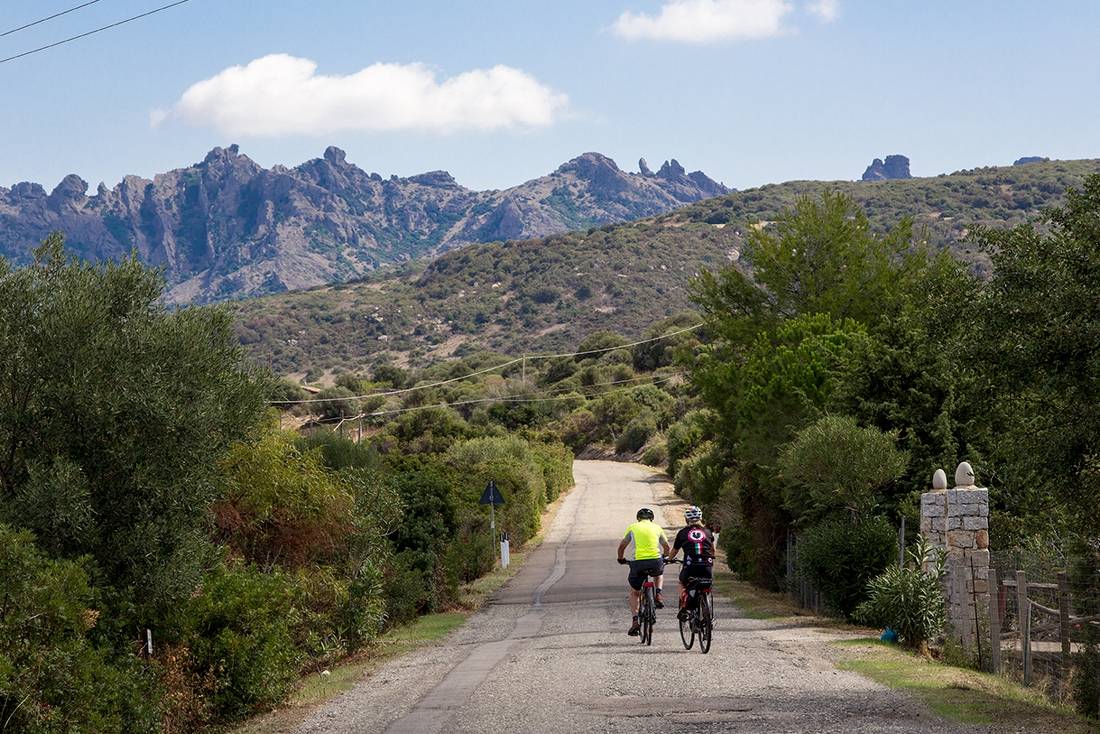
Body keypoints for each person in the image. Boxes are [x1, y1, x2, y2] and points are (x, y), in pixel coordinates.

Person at [617, 507, 670, 636]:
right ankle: (658, 594)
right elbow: (666, 547)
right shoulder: (657, 527)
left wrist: (621, 558)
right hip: (655, 561)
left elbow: (622, 545)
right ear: (651, 518)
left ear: (638, 518)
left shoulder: (633, 527)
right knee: (659, 573)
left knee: (635, 592)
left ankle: (635, 621)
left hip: (638, 563)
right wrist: (665, 557)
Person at [665, 505, 715, 620]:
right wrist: (711, 557)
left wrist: (669, 559)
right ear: (701, 518)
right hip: (707, 566)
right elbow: (713, 550)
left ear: (686, 519)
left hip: (690, 565)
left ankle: (685, 606)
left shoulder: (682, 533)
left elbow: (675, 551)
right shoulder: (707, 532)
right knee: (706, 584)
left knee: (682, 582)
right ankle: (706, 605)